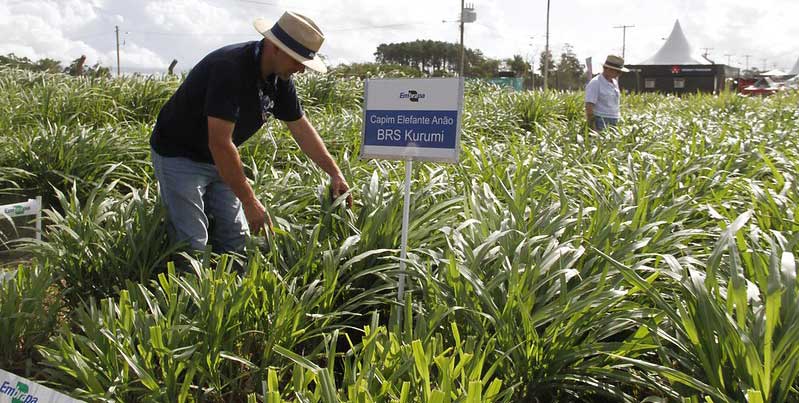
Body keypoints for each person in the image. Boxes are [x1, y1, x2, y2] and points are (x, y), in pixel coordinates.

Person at [149, 11, 352, 253]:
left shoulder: (280, 79)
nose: (301, 69)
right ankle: (187, 287)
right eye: (297, 60)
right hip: (179, 155)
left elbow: (301, 128)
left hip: (220, 160)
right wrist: (249, 200)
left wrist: (335, 173)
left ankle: (230, 288)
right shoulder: (230, 68)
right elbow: (220, 143)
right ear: (274, 47)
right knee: (192, 243)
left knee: (237, 240)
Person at [585, 54, 629, 131]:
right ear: (609, 69)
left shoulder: (614, 82)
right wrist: (593, 127)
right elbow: (589, 107)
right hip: (601, 121)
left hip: (615, 120)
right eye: (618, 72)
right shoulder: (595, 83)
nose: (619, 74)